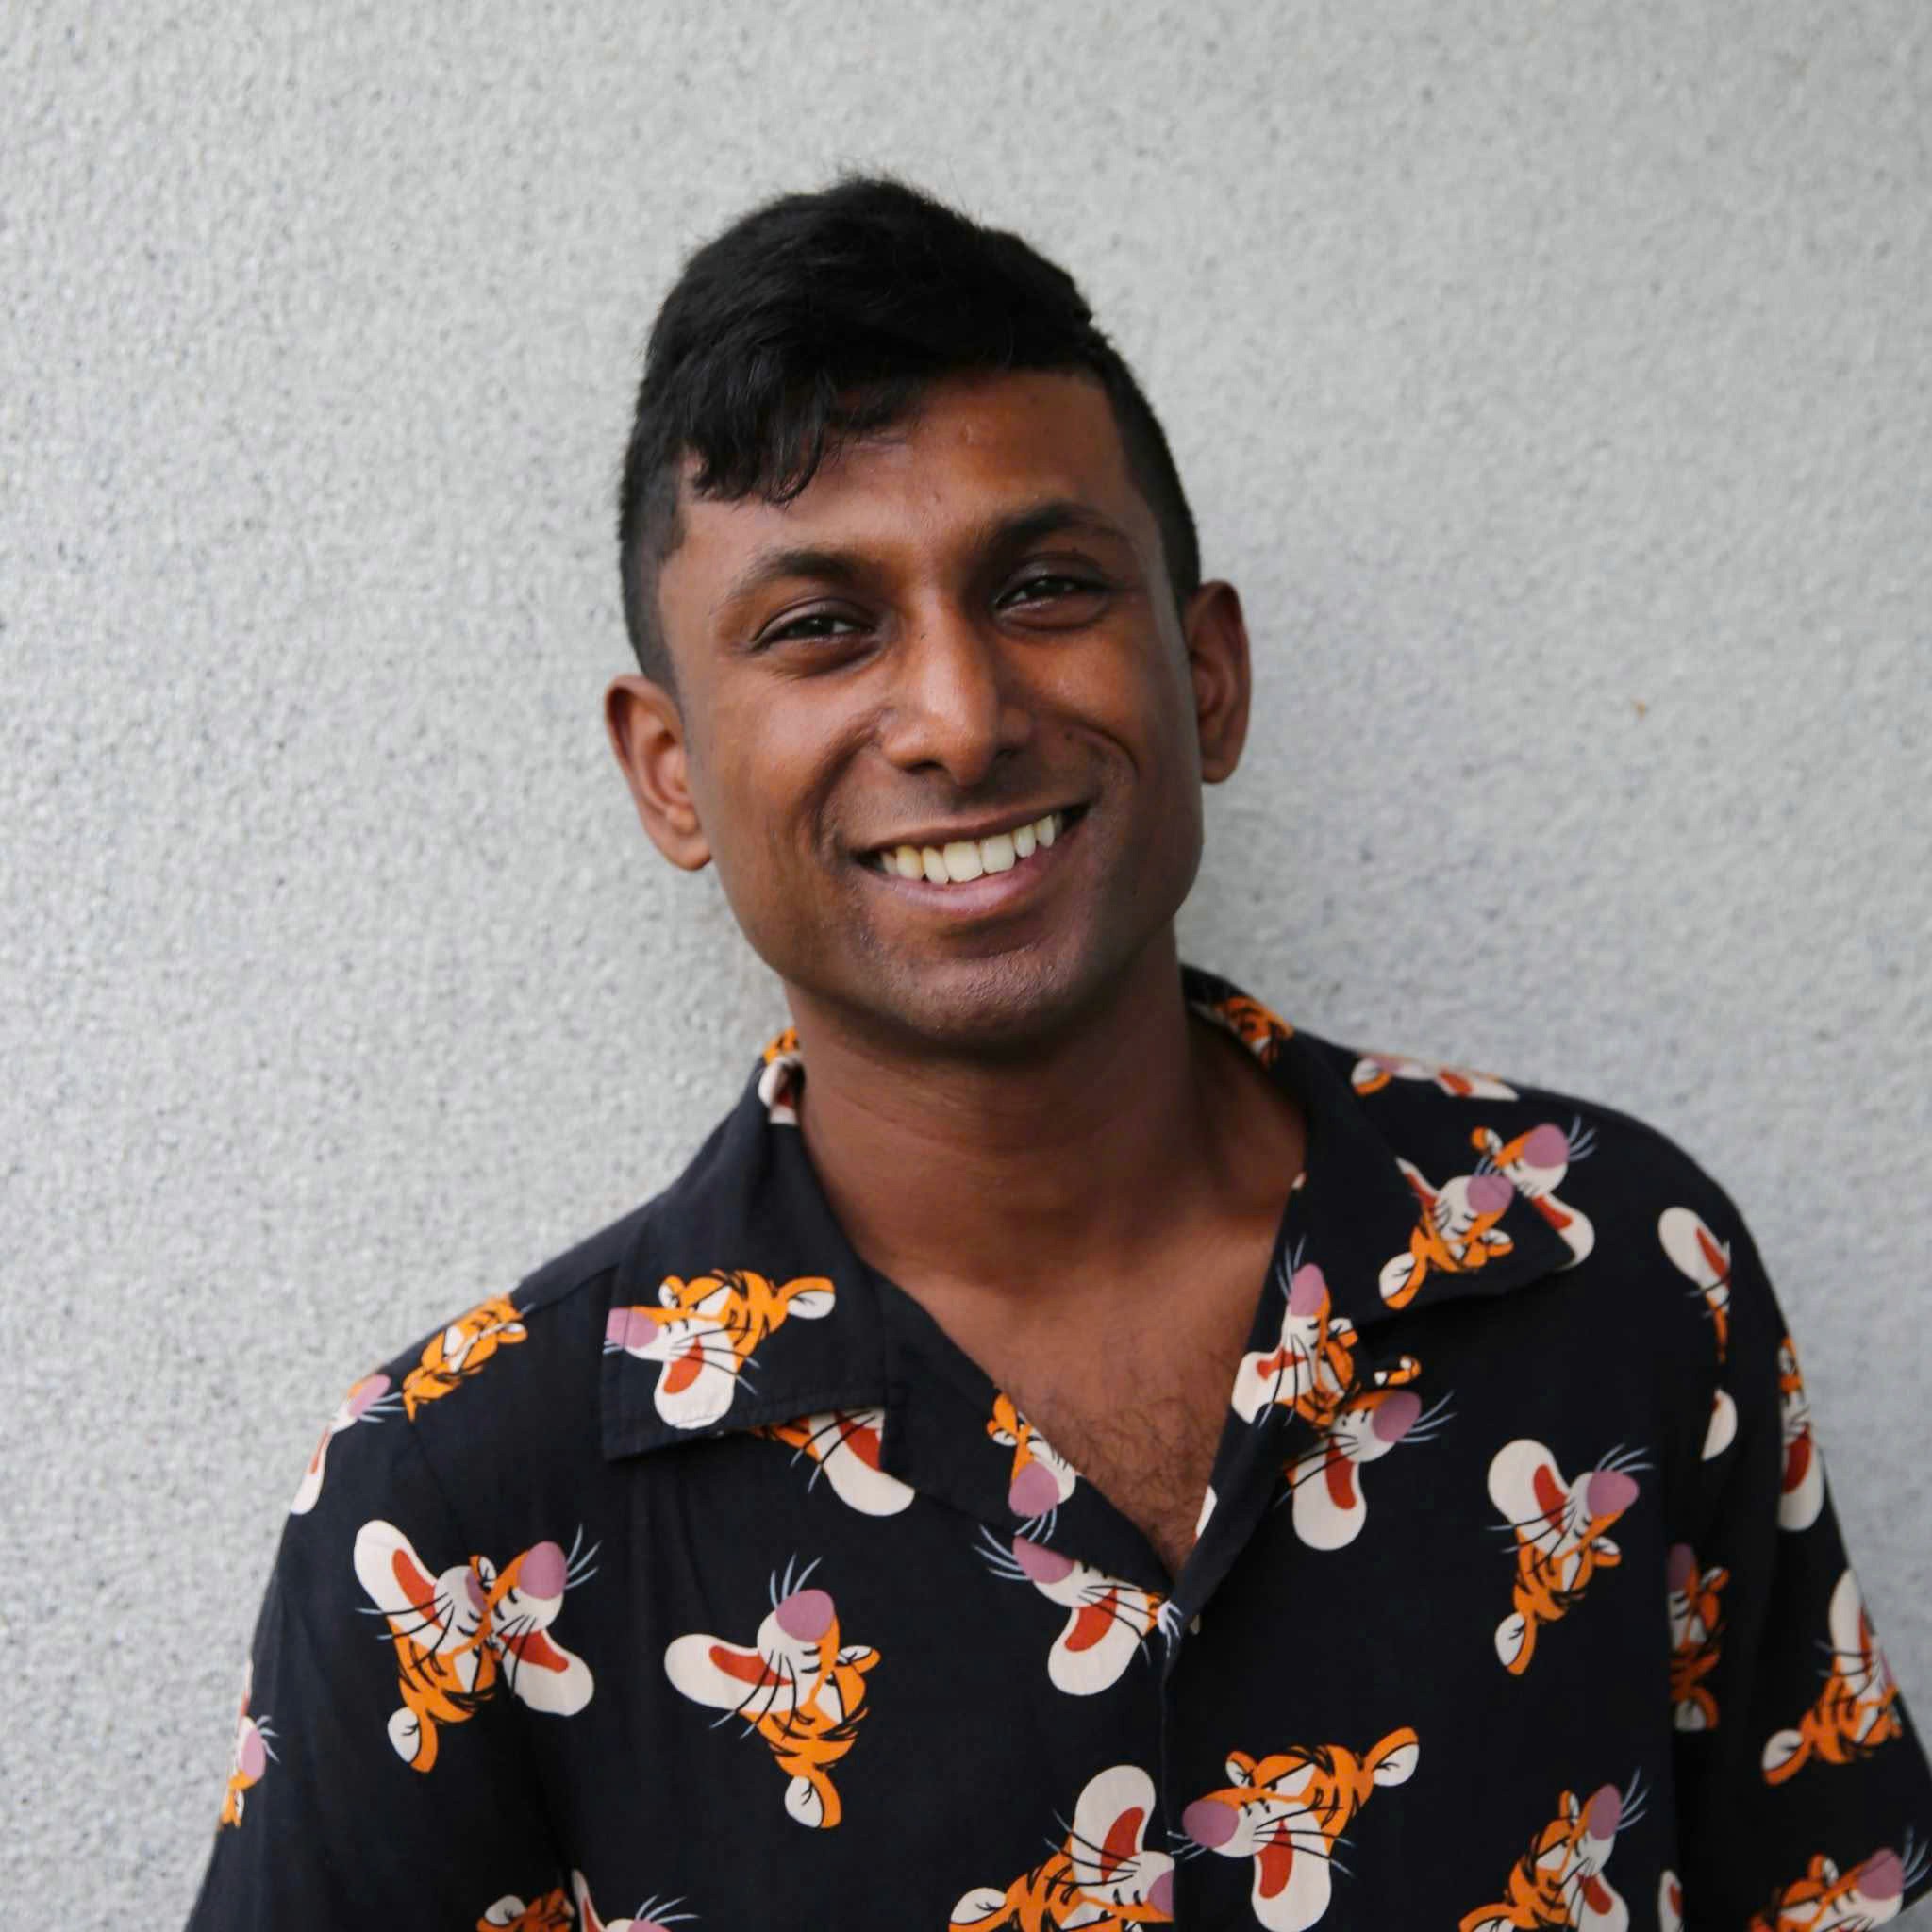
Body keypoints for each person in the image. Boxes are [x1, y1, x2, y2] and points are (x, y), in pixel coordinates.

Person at [185, 175, 1932, 1932]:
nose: (958, 715)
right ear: (668, 772)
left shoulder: (1610, 1270)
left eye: (1041, 586)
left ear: (1209, 675)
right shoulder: (456, 1515)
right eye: (819, 626)